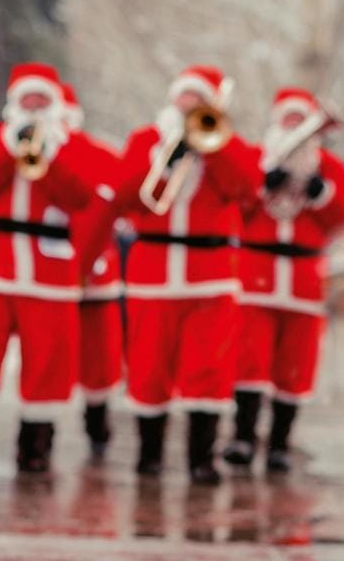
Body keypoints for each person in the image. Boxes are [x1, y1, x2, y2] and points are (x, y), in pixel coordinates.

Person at [107, 65, 262, 484]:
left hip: (210, 278)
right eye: (184, 98)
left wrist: (214, 148)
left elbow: (248, 188)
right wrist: (163, 160)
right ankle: (150, 454)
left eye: (198, 100)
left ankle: (201, 458)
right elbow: (123, 197)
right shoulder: (146, 141)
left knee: (208, 367)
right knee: (148, 365)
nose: (189, 105)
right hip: (152, 275)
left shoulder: (229, 144)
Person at [0, 63, 93, 472]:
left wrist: (51, 157)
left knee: (48, 357)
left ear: (55, 104)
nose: (33, 107)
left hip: (50, 267)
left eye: (41, 100)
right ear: (14, 103)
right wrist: (8, 148)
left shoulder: (71, 144)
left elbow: (80, 197)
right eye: (27, 100)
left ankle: (36, 446)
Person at [224, 87, 344, 472]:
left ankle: (281, 442)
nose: (296, 128)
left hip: (302, 277)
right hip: (256, 274)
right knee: (249, 359)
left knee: (295, 364)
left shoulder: (328, 167)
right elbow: (233, 207)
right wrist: (262, 184)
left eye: (303, 122)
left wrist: (321, 194)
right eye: (290, 121)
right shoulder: (255, 160)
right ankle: (243, 437)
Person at [61, 82, 125, 457]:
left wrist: (85, 260)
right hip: (52, 265)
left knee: (99, 350)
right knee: (49, 352)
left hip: (94, 266)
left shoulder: (100, 155)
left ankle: (97, 415)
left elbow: (107, 212)